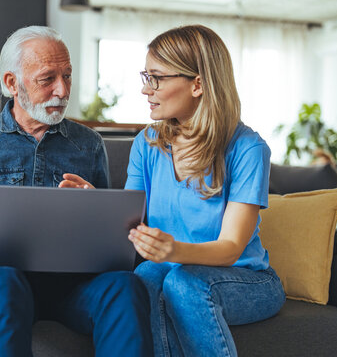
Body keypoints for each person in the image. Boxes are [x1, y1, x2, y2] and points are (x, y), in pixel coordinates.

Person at [0, 26, 153, 357]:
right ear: (11, 83)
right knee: (3, 281)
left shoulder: (88, 145)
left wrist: (96, 213)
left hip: (68, 285)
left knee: (124, 286)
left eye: (68, 76)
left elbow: (114, 250)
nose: (62, 90)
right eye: (48, 79)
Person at [60, 25, 286, 356]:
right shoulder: (146, 144)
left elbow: (231, 248)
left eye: (157, 78)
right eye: (145, 76)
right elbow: (132, 224)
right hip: (169, 269)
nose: (145, 89)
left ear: (197, 84)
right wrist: (97, 204)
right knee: (145, 277)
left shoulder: (247, 148)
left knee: (184, 284)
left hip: (242, 278)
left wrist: (174, 252)